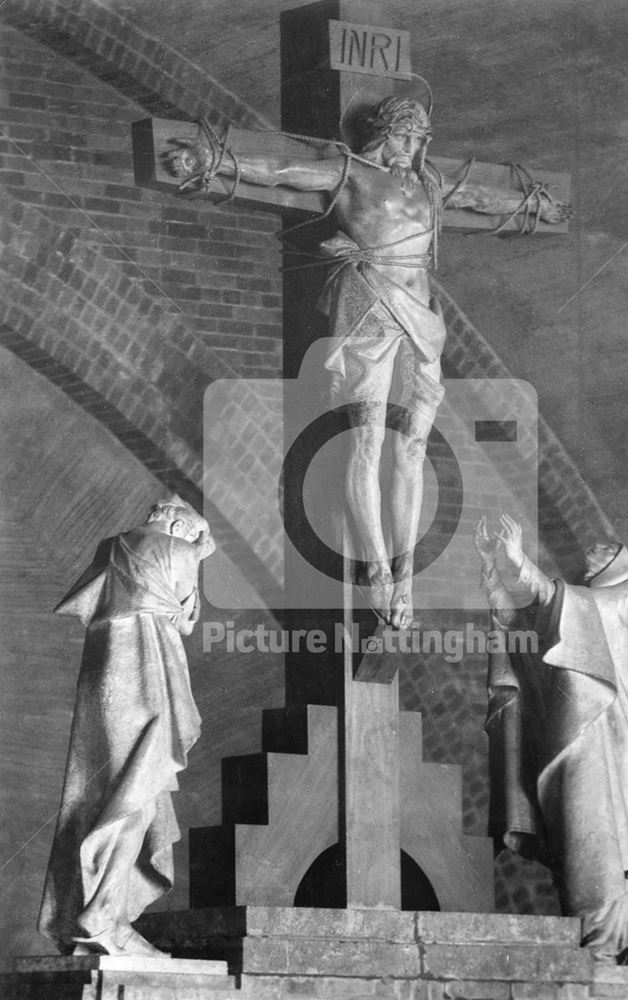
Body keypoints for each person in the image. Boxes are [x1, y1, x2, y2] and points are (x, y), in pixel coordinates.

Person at [167, 97, 570, 628]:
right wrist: (212, 161)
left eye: (421, 141)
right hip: (369, 314)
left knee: (412, 449)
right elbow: (287, 170)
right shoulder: (351, 171)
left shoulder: (427, 186)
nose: (413, 150)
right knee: (365, 441)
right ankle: (375, 569)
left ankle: (402, 572)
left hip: (422, 321)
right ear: (382, 134)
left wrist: (539, 206)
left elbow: (479, 196)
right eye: (405, 138)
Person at [473, 513, 628, 965]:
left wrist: (519, 562)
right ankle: (598, 948)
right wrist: (495, 580)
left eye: (604, 551)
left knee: (588, 844)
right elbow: (532, 637)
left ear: (620, 568)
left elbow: (567, 605)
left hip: (597, 750)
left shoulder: (613, 604)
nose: (591, 552)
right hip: (572, 745)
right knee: (572, 843)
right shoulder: (579, 612)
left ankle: (602, 949)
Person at [38, 496, 215, 957]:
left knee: (104, 792)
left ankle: (100, 914)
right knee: (138, 795)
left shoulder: (110, 547)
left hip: (104, 675)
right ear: (179, 525)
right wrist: (199, 554)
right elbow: (184, 622)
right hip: (147, 671)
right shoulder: (181, 551)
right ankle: (100, 913)